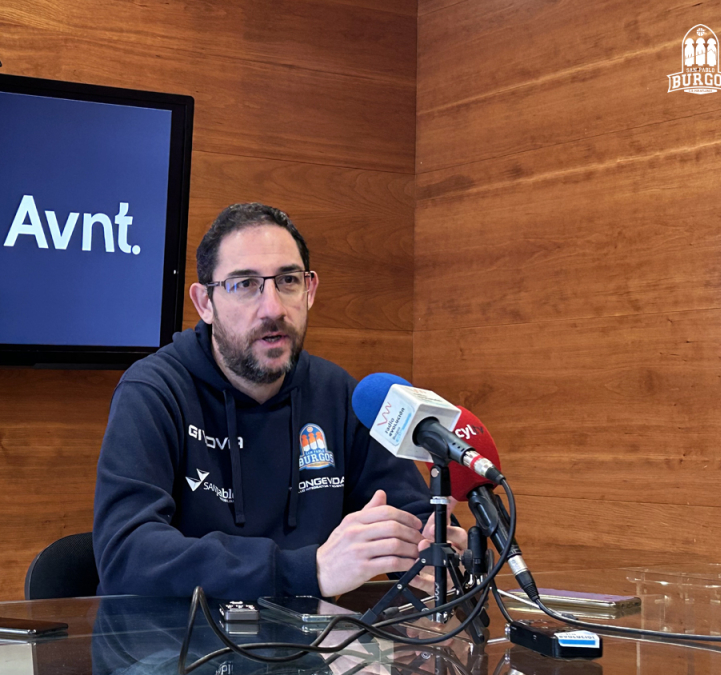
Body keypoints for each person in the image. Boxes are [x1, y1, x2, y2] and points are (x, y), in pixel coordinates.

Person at [93, 202, 465, 600]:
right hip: (173, 649)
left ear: (310, 291)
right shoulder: (154, 392)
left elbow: (415, 516)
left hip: (309, 651)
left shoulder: (340, 395)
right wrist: (310, 571)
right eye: (245, 284)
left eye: (287, 281)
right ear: (205, 303)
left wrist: (432, 547)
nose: (272, 308)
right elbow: (127, 556)